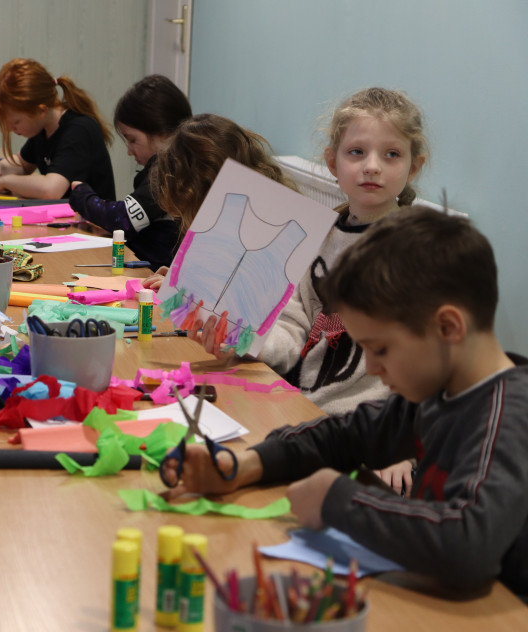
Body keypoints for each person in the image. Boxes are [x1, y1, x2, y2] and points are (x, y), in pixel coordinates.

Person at [161, 207, 528, 598]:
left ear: (448, 327)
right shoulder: (440, 393)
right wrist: (245, 465)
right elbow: (343, 436)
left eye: (381, 349)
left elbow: (466, 545)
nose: (372, 367)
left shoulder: (508, 415)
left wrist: (339, 500)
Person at [188, 89, 428, 424]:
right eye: (357, 152)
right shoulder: (321, 237)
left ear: (414, 166)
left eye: (391, 154)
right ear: (333, 162)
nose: (372, 167)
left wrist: (399, 442)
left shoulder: (417, 248)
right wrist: (241, 340)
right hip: (298, 410)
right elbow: (293, 328)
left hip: (365, 429)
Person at [140, 113, 297, 283]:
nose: (185, 225)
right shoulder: (234, 225)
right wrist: (183, 282)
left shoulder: (266, 235)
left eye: (185, 214)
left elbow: (238, 294)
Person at [67, 75, 192, 269]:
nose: (129, 151)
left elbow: (122, 219)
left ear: (163, 133)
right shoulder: (179, 164)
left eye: (132, 140)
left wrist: (82, 196)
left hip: (155, 276)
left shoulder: (169, 171)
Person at [0, 58, 115, 201]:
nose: (10, 129)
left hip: (95, 222)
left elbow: (51, 190)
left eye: (16, 122)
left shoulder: (79, 130)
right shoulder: (43, 128)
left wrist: (4, 181)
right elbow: (22, 164)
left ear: (40, 111)